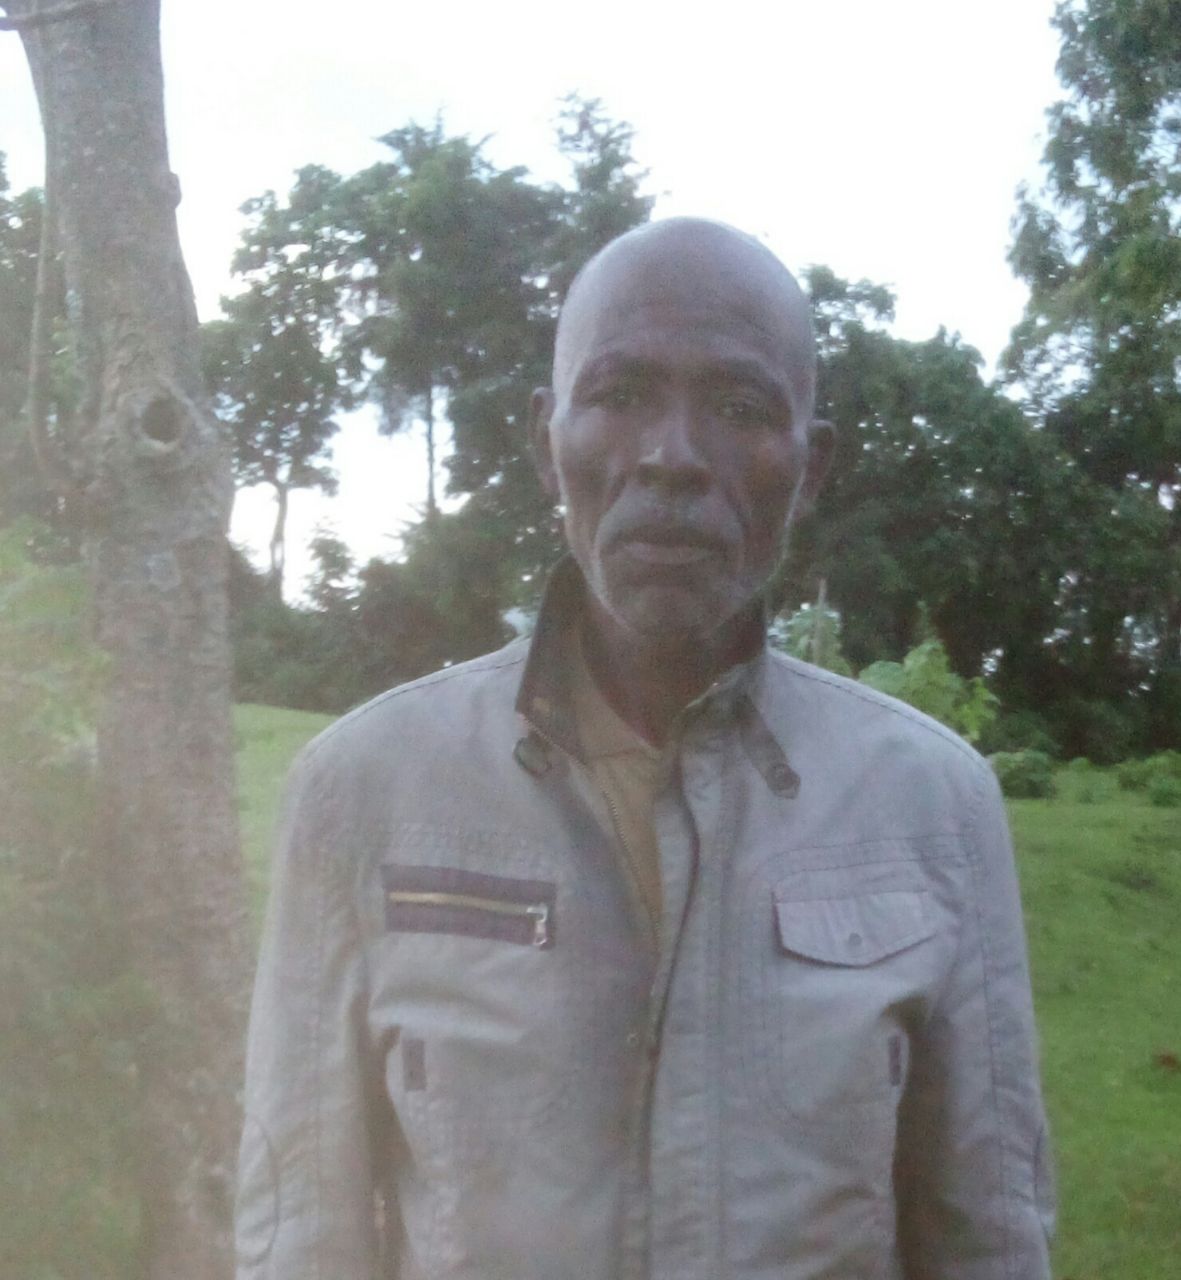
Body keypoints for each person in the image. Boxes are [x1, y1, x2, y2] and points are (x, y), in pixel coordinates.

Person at [235, 217, 1055, 1279]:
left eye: (739, 407)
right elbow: (301, 1236)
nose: (672, 455)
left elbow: (988, 1237)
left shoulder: (932, 805)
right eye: (619, 394)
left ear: (809, 468)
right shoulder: (362, 791)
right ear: (546, 442)